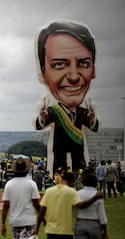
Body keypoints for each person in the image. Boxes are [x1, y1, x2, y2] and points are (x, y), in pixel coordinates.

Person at [34, 21, 99, 174]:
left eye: (83, 63)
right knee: (59, 169)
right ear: (43, 73)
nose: (74, 77)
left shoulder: (83, 111)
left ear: (93, 70)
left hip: (78, 150)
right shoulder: (53, 110)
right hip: (59, 150)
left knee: (79, 168)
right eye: (58, 65)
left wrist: (92, 119)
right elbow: (39, 125)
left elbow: (94, 126)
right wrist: (42, 117)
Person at [34, 172, 103, 239]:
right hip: (65, 231)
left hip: (51, 231)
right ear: (71, 181)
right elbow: (81, 205)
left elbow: (42, 210)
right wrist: (95, 197)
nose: (73, 185)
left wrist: (37, 228)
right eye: (73, 183)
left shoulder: (49, 191)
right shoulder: (71, 191)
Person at [1, 158, 41, 239]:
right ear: (26, 170)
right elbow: (36, 204)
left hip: (15, 221)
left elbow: (6, 206)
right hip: (28, 220)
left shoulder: (9, 184)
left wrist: (3, 224)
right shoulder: (31, 184)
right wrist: (42, 217)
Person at [75, 173, 108, 239]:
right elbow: (102, 215)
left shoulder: (77, 194)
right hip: (94, 224)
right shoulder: (98, 194)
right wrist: (105, 232)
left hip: (80, 223)